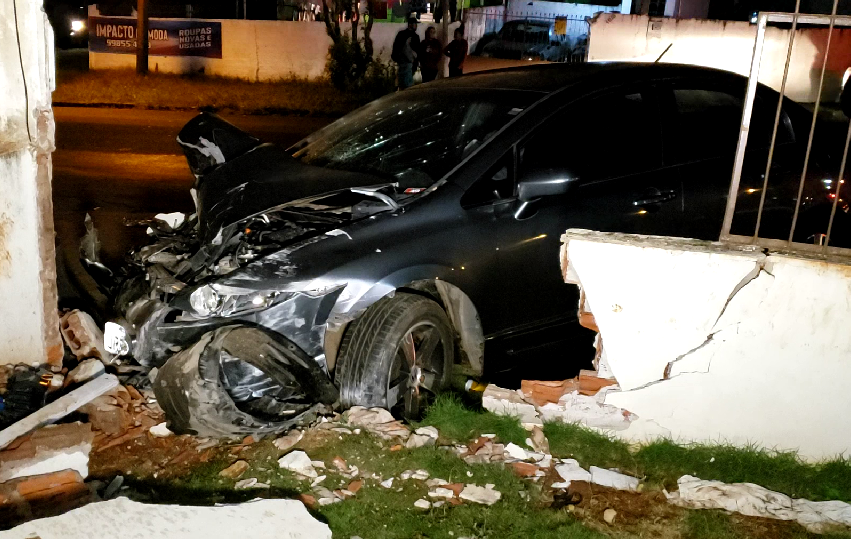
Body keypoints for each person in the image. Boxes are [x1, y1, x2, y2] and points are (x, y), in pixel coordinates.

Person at [391, 16, 420, 90]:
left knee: (402, 84)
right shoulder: (414, 36)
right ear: (411, 25)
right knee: (408, 86)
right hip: (408, 62)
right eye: (415, 24)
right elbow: (417, 51)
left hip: (402, 62)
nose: (416, 26)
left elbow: (395, 48)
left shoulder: (401, 34)